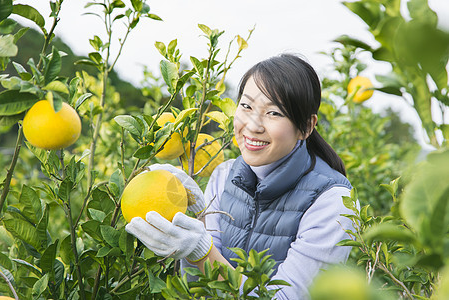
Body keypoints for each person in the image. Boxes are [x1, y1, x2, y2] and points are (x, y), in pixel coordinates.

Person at [126, 53, 355, 299]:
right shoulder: (223, 176)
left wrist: (203, 251)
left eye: (274, 113)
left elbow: (286, 297)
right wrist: (202, 219)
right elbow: (198, 289)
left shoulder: (333, 202)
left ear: (307, 127)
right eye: (246, 106)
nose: (254, 125)